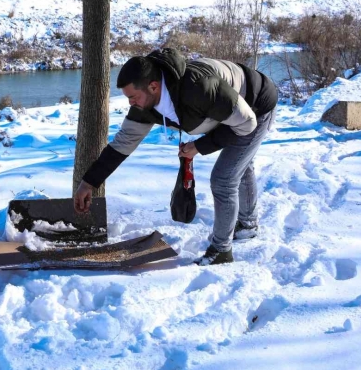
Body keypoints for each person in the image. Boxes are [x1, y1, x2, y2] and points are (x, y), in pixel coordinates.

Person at [74, 48, 278, 265]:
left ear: (153, 86)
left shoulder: (199, 89)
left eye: (133, 97)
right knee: (240, 164)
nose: (130, 103)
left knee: (224, 178)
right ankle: (247, 226)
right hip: (228, 112)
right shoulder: (147, 103)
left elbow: (247, 124)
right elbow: (121, 145)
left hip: (255, 108)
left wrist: (199, 146)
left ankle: (221, 251)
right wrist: (89, 183)